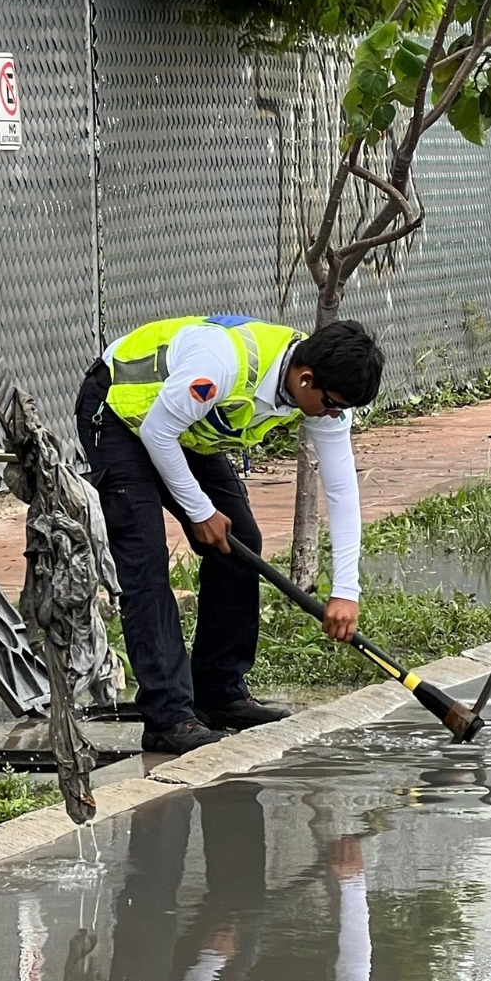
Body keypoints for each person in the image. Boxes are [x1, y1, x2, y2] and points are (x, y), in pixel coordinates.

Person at [74, 315, 384, 755]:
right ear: (306, 378)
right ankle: (167, 718)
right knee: (145, 561)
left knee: (241, 545)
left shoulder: (323, 390)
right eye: (332, 404)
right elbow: (156, 431)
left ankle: (219, 693)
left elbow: (340, 488)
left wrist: (347, 590)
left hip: (182, 427)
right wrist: (200, 510)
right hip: (122, 414)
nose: (335, 414)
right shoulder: (222, 362)